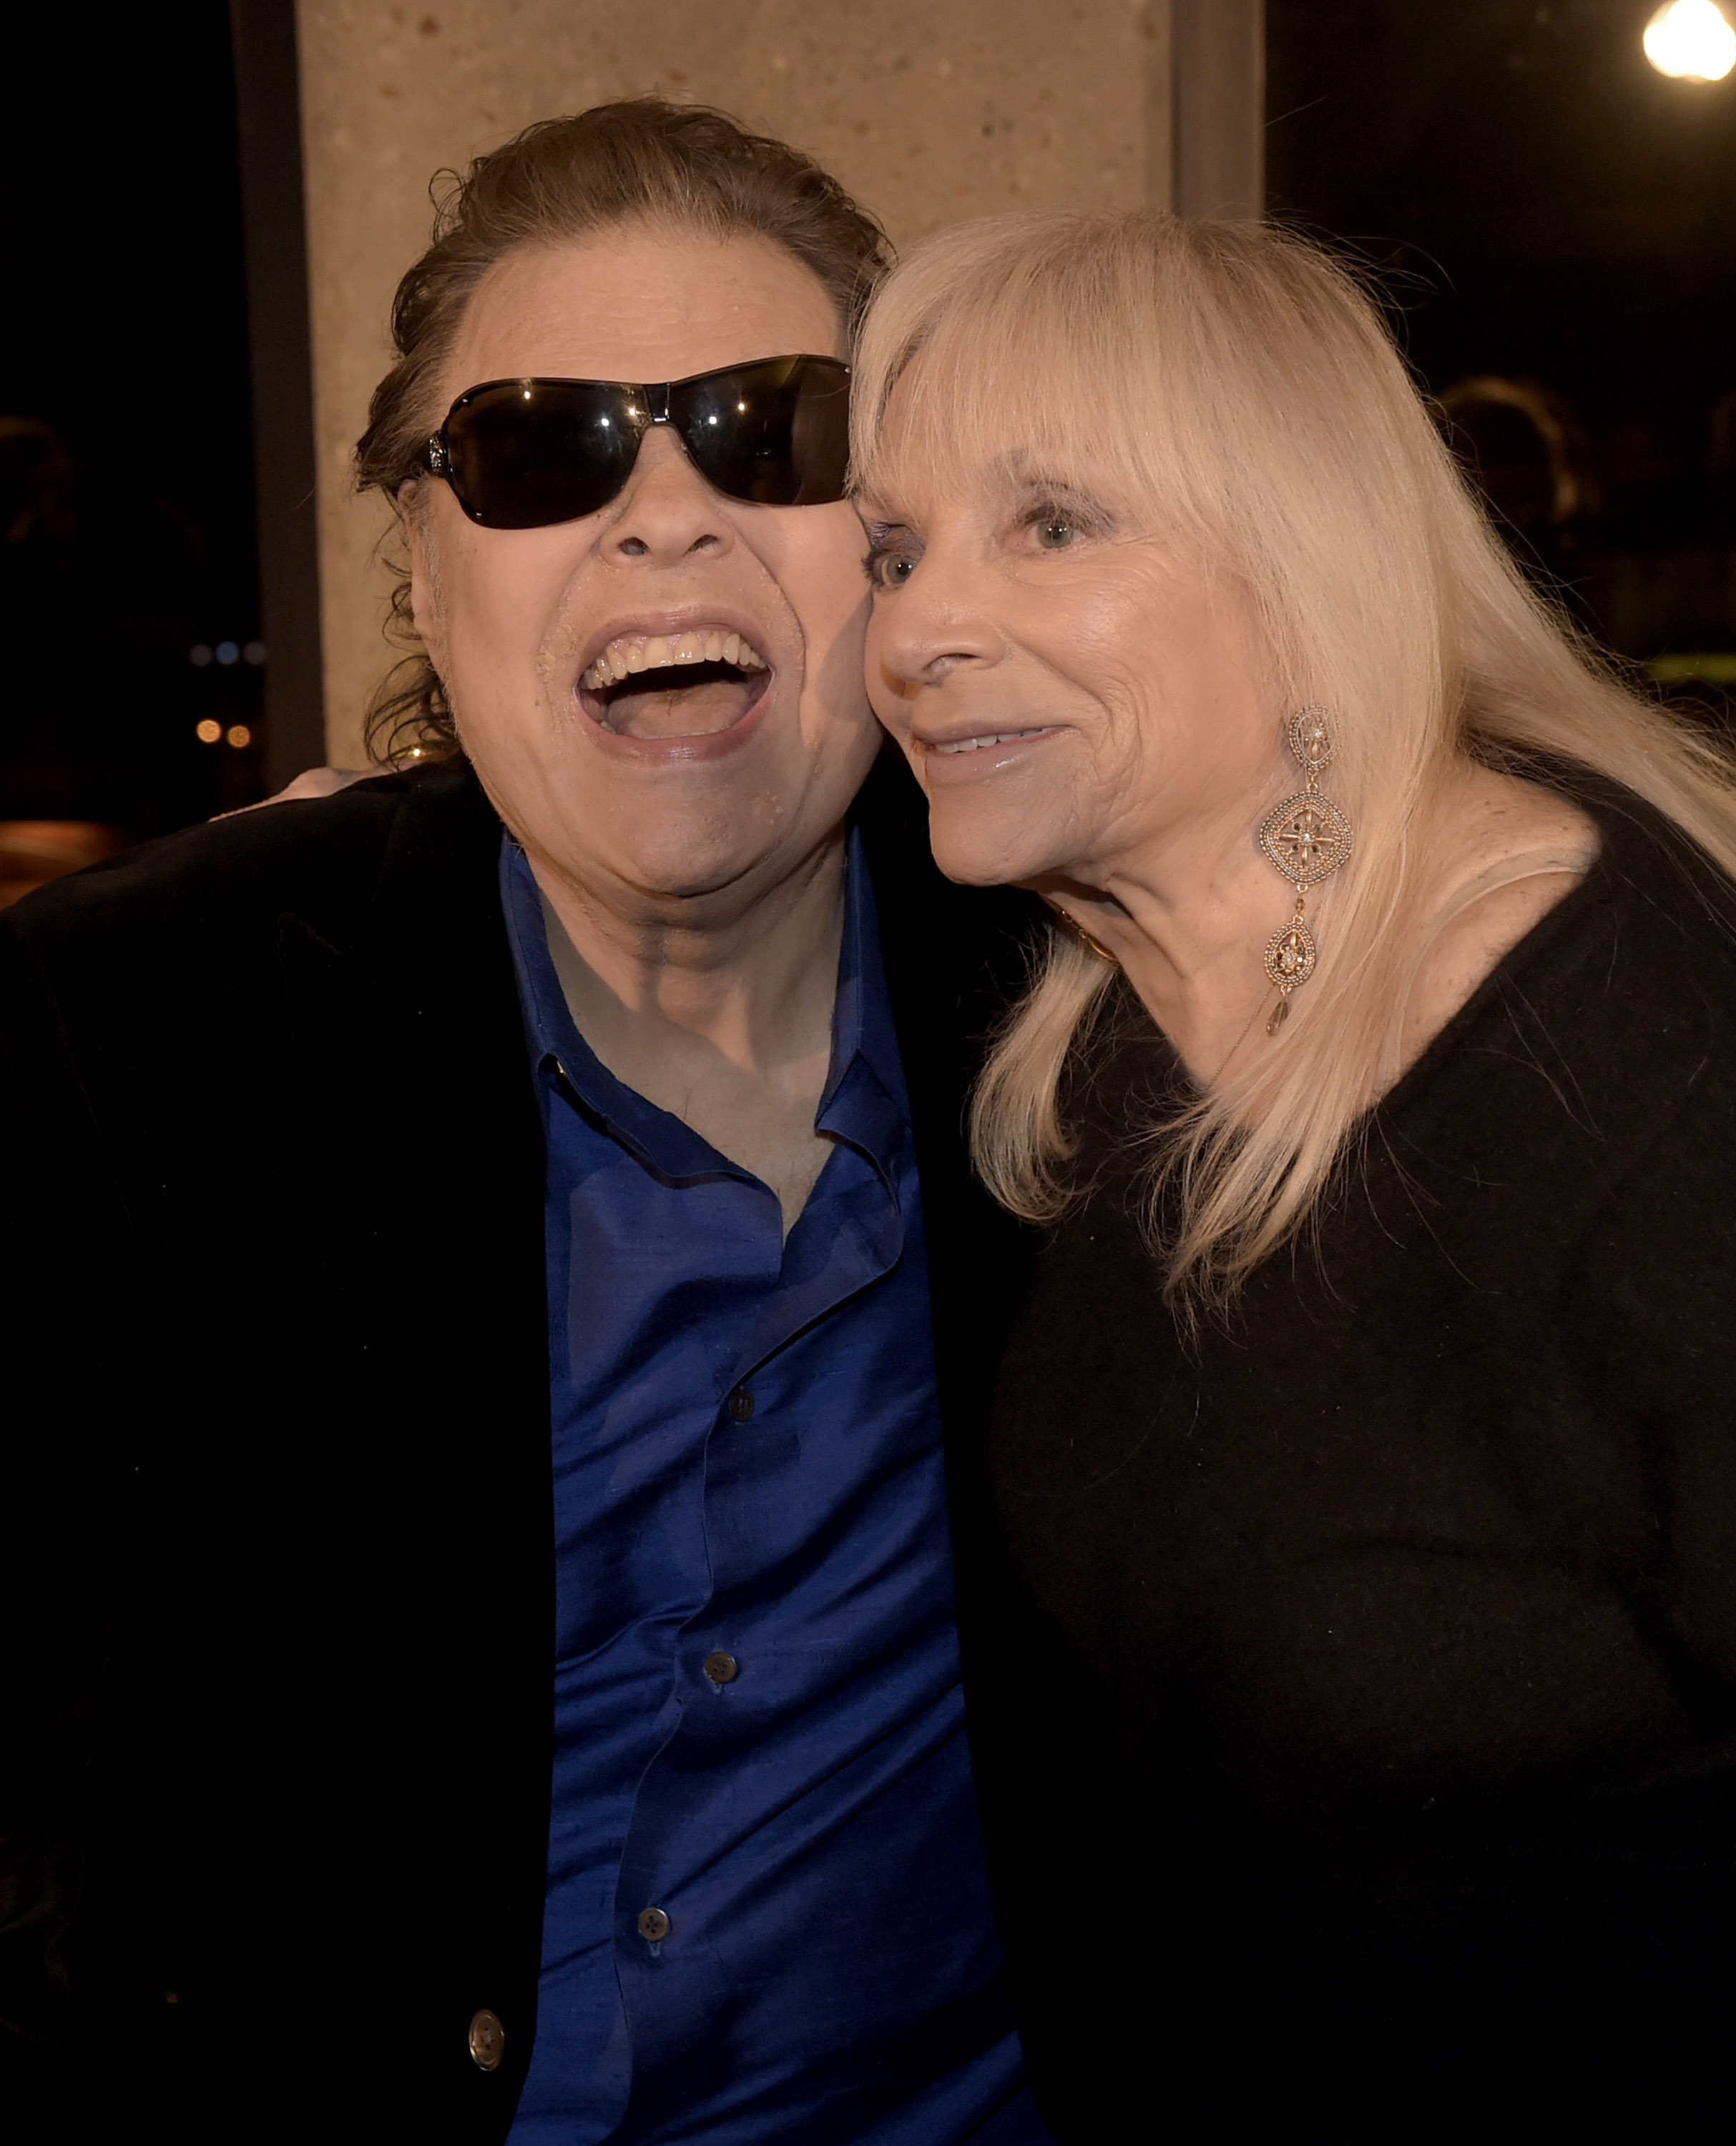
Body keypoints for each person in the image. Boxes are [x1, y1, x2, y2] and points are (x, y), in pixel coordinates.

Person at [0, 101, 1049, 2145]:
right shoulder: (142, 1038)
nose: (662, 517)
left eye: (772, 430)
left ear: (895, 540)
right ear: (422, 557)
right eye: (543, 445)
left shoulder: (1102, 1009)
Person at [850, 210, 1736, 2136]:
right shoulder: (1114, 1015)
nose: (915, 629)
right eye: (894, 549)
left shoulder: (1625, 1062)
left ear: (1302, 570)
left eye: (1048, 522)